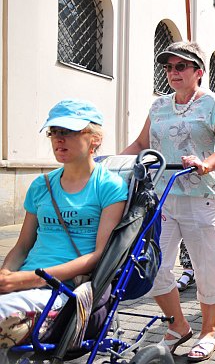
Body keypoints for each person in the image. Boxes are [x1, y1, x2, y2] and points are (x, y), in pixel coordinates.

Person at [122, 41, 215, 361]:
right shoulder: (159, 105)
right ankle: (178, 326)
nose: (173, 72)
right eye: (169, 67)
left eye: (181, 66)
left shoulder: (212, 103)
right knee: (153, 267)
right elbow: (142, 143)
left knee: (207, 267)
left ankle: (209, 330)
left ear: (198, 72)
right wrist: (108, 163)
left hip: (204, 197)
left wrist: (206, 164)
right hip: (163, 197)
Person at [0, 99, 127, 347]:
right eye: (54, 132)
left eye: (69, 132)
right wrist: (7, 273)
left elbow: (98, 257)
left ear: (95, 139)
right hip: (25, 284)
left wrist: (26, 280)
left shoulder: (109, 186)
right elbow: (23, 246)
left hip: (64, 291)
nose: (59, 139)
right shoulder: (40, 185)